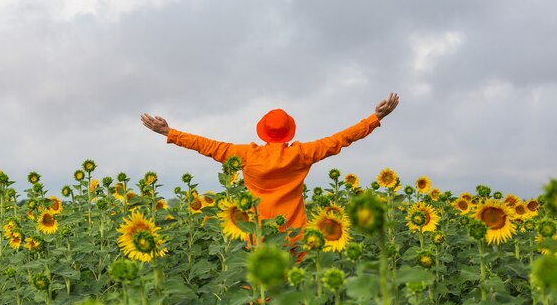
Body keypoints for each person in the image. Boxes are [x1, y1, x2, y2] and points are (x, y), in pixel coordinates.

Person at [141, 93, 399, 239]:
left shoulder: (246, 155)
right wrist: (375, 118)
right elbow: (340, 139)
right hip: (295, 235)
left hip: (259, 234)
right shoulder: (302, 154)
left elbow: (206, 145)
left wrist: (169, 132)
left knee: (261, 293)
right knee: (294, 299)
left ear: (263, 132)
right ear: (289, 132)